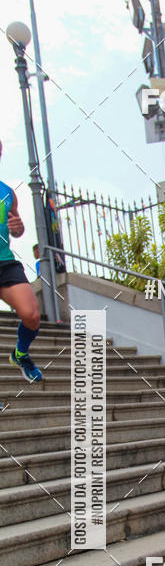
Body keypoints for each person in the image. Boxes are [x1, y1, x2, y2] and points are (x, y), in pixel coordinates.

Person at [0, 140, 43, 384]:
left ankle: (20, 354)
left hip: (5, 262)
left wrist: (17, 227)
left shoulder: (7, 192)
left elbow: (17, 229)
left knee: (31, 314)